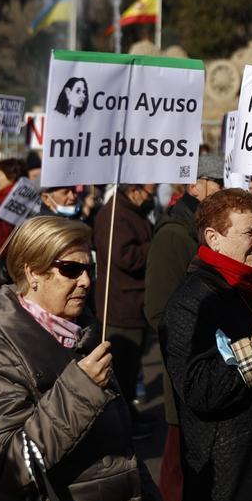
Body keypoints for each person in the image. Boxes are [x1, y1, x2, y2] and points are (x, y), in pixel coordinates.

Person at [0, 216, 158, 501]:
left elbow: (123, 451)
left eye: (89, 269)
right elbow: (4, 466)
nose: (86, 281)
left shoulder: (84, 334)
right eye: (71, 269)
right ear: (32, 274)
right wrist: (81, 390)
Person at [159, 189, 252, 501]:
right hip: (233, 476)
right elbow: (198, 391)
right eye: (249, 233)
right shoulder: (191, 303)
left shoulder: (245, 288)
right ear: (213, 238)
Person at [143, 154, 223, 501]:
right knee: (179, 463)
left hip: (214, 360)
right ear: (195, 186)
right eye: (219, 184)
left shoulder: (209, 227)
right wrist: (197, 341)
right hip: (189, 361)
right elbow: (158, 310)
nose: (225, 191)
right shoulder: (174, 234)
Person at [93, 182, 157, 434]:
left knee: (129, 370)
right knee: (120, 370)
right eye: (148, 193)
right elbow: (124, 257)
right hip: (120, 305)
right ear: (134, 191)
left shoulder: (130, 211)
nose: (150, 198)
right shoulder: (115, 215)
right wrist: (156, 247)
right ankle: (119, 423)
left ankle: (127, 413)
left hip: (132, 302)